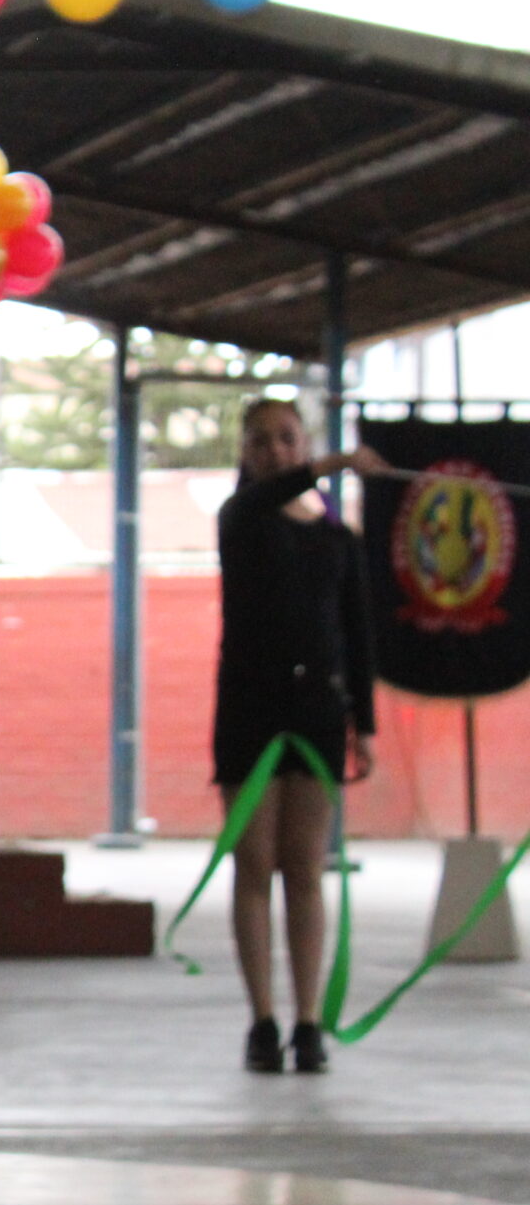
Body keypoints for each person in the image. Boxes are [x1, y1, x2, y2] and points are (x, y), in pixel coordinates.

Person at [215, 398, 387, 1075]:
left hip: (317, 711)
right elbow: (269, 495)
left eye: (287, 438)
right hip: (249, 711)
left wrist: (363, 723)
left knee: (305, 867)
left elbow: (357, 634)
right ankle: (262, 1019)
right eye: (261, 440)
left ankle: (308, 1020)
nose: (275, 451)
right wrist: (338, 461)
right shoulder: (240, 517)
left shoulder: (337, 539)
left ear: (303, 442)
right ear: (245, 451)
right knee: (254, 863)